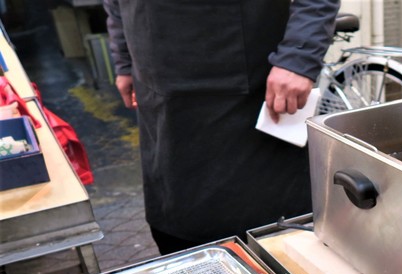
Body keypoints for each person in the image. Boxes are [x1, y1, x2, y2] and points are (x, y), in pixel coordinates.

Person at [102, 0, 340, 254]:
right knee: (176, 233)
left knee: (270, 248)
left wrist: (298, 58)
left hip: (246, 99)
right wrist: (124, 60)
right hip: (159, 101)